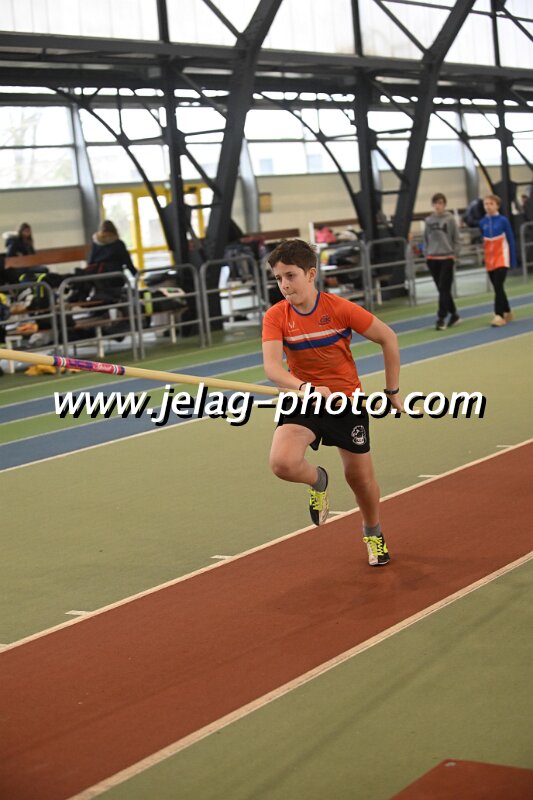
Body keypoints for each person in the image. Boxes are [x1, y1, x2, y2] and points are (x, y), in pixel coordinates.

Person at [262, 238, 402, 567]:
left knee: (360, 480)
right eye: (278, 278)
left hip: (345, 403)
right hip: (304, 399)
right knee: (282, 463)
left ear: (311, 274)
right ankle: (318, 480)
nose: (284, 285)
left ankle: (373, 533)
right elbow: (272, 368)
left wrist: (392, 391)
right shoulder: (276, 316)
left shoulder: (339, 309)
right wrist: (305, 387)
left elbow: (388, 338)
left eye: (290, 276)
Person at [424, 193, 461, 331]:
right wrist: (426, 254)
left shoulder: (450, 219)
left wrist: (454, 254)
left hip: (447, 258)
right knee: (442, 289)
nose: (438, 206)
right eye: (435, 203)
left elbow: (456, 238)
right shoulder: (428, 221)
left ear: (444, 204)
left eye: (440, 203)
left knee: (444, 288)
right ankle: (454, 314)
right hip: (432, 258)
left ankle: (441, 318)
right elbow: (425, 239)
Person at [479, 195, 516, 327]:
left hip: (502, 258)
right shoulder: (482, 222)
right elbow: (483, 240)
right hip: (490, 260)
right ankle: (507, 311)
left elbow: (511, 239)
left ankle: (498, 315)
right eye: (486, 204)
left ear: (497, 206)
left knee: (499, 285)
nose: (488, 206)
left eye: (491, 204)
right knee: (497, 287)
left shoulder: (503, 220)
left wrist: (513, 259)